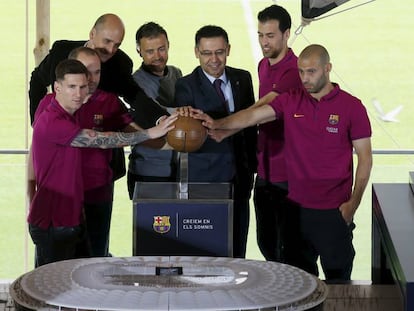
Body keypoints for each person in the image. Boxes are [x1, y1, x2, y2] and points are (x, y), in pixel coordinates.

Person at [193, 44, 373, 281]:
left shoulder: (352, 107)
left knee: (339, 286)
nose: (305, 79)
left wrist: (353, 203)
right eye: (301, 72)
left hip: (334, 211)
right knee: (299, 284)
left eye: (312, 72)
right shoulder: (291, 101)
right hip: (295, 211)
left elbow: (365, 159)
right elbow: (252, 116)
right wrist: (218, 124)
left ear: (328, 69)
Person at [28, 59, 177, 267]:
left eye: (82, 87)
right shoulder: (53, 121)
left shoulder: (69, 115)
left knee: (79, 279)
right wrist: (151, 133)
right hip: (53, 222)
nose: (78, 94)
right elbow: (102, 140)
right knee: (52, 290)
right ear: (57, 88)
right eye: (71, 87)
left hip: (71, 217)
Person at [28, 13, 169, 183]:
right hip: (60, 163)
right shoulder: (61, 52)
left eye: (117, 45)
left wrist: (160, 118)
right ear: (92, 34)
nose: (111, 50)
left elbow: (134, 95)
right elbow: (37, 80)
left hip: (100, 168)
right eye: (107, 42)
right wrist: (38, 126)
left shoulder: (119, 65)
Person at [33, 47, 141, 257]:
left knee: (94, 261)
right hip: (59, 201)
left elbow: (133, 132)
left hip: (97, 194)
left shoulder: (109, 102)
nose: (91, 78)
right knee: (52, 270)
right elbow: (37, 149)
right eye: (85, 71)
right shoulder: (49, 105)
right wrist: (32, 192)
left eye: (97, 71)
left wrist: (164, 133)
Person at [174, 25, 257, 258]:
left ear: (228, 49)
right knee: (207, 249)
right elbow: (191, 130)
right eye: (206, 53)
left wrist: (252, 165)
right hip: (206, 178)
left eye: (219, 52)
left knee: (238, 244)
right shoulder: (185, 86)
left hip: (241, 175)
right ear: (196, 52)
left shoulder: (243, 78)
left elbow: (250, 124)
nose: (214, 59)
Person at [253, 5, 302, 263]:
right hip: (264, 174)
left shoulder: (294, 71)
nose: (264, 41)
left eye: (270, 35)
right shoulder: (263, 65)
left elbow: (262, 108)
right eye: (261, 35)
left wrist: (220, 125)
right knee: (266, 244)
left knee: (291, 252)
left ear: (286, 34)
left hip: (288, 177)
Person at [127, 22, 183, 199]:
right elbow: (149, 116)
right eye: (150, 51)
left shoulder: (176, 73)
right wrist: (186, 113)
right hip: (148, 171)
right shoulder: (135, 83)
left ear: (168, 46)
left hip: (177, 168)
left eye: (161, 49)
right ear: (139, 51)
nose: (157, 56)